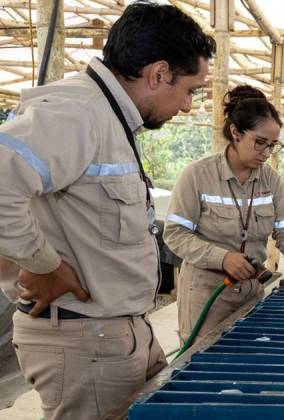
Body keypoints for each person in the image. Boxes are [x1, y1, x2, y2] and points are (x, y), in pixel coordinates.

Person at [0, 2, 214, 419]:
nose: (188, 106)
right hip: (84, 340)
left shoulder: (106, 116)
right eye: (190, 89)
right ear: (158, 74)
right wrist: (42, 264)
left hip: (112, 334)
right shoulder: (77, 113)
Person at [164, 85, 284, 344]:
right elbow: (175, 234)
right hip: (206, 291)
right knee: (203, 364)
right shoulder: (197, 175)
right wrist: (223, 258)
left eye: (272, 146)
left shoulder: (271, 182)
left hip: (251, 289)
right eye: (259, 143)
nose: (266, 153)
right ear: (235, 133)